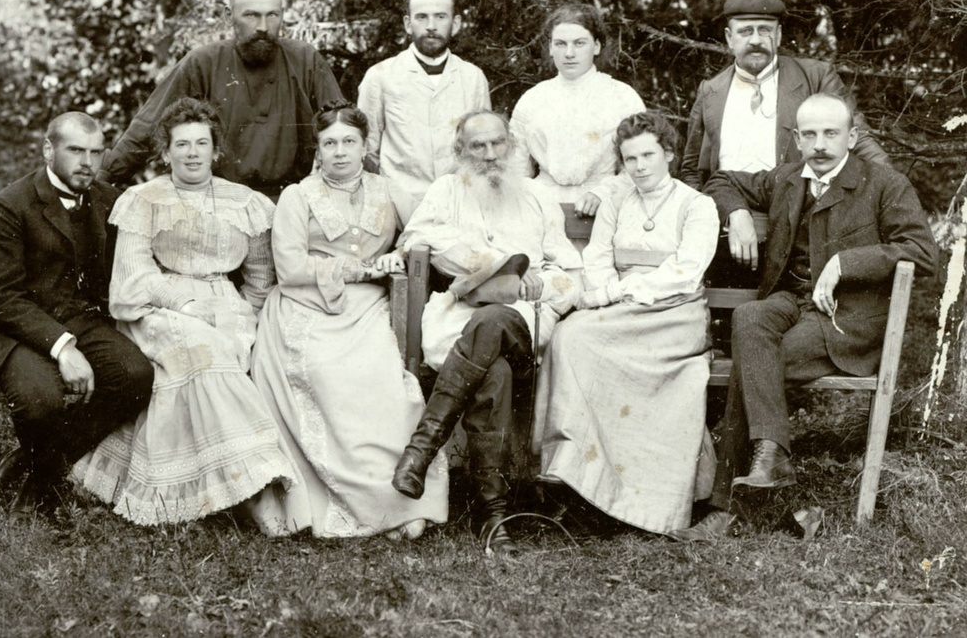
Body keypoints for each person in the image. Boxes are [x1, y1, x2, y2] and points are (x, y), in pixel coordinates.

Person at [668, 94, 938, 542]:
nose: (820, 144)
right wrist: (735, 211)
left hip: (844, 320)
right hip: (791, 302)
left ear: (851, 136)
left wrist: (847, 263)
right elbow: (720, 178)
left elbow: (923, 254)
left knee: (751, 368)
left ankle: (727, 511)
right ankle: (784, 490)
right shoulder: (787, 178)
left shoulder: (884, 183)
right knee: (752, 317)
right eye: (809, 134)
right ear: (795, 139)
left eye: (831, 133)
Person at [72, 98, 297, 535]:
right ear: (166, 152)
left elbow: (259, 280)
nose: (192, 153)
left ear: (216, 151)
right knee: (204, 352)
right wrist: (185, 305)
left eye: (201, 143)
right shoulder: (143, 199)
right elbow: (133, 275)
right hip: (155, 308)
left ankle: (213, 487)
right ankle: (253, 488)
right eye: (181, 144)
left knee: (231, 349)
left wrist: (243, 319)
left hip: (226, 304)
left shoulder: (244, 202)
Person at [248, 102, 448, 538]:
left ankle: (394, 502)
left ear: (364, 146)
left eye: (349, 142)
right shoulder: (297, 197)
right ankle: (334, 505)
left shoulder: (389, 190)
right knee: (322, 371)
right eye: (329, 143)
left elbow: (427, 231)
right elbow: (290, 267)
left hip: (366, 309)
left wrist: (406, 249)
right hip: (304, 305)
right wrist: (365, 269)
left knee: (380, 379)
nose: (340, 152)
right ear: (317, 150)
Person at [391, 110, 582, 555]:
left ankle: (422, 446)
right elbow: (416, 239)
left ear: (511, 146)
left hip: (525, 320)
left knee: (494, 321)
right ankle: (493, 516)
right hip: (462, 318)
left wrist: (535, 283)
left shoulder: (536, 195)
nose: (490, 154)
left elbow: (571, 270)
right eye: (477, 146)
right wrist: (481, 264)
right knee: (491, 368)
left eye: (497, 144)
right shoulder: (445, 191)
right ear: (460, 151)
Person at [533, 112, 720, 534]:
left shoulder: (697, 205)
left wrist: (614, 294)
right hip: (623, 310)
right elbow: (598, 256)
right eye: (630, 158)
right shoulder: (618, 201)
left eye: (648, 155)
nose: (639, 166)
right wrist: (605, 289)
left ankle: (645, 502)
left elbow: (685, 273)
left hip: (674, 313)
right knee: (571, 337)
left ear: (669, 154)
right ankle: (575, 476)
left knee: (578, 337)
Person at [0, 112, 154, 520]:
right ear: (49, 150)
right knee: (41, 399)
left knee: (135, 376)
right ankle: (45, 490)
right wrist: (62, 346)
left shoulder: (108, 200)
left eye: (95, 152)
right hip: (12, 328)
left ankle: (34, 471)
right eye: (75, 151)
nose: (87, 162)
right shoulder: (11, 205)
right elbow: (2, 296)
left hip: (81, 320)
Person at [98, 0, 343, 199]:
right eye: (251, 15)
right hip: (216, 201)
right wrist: (102, 179)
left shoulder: (305, 60)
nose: (263, 27)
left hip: (288, 200)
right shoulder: (203, 63)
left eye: (273, 15)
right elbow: (149, 128)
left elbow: (342, 128)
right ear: (229, 16)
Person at [680, 0, 888, 192]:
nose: (755, 40)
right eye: (745, 31)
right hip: (730, 214)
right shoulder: (710, 91)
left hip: (798, 213)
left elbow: (859, 138)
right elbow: (691, 169)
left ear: (778, 35)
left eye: (764, 30)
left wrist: (892, 189)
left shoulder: (815, 77)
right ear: (729, 38)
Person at [357, 0, 491, 204]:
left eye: (440, 17)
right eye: (421, 17)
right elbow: (368, 148)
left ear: (455, 23)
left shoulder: (473, 77)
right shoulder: (380, 76)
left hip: (460, 201)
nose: (431, 26)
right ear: (408, 24)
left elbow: (482, 146)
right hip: (398, 203)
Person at [509, 3, 645, 216]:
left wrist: (604, 193)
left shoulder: (623, 97)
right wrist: (531, 200)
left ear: (597, 46)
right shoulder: (532, 99)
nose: (569, 53)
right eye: (561, 44)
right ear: (551, 48)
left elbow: (641, 164)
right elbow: (515, 168)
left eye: (580, 43)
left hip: (606, 208)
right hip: (541, 210)